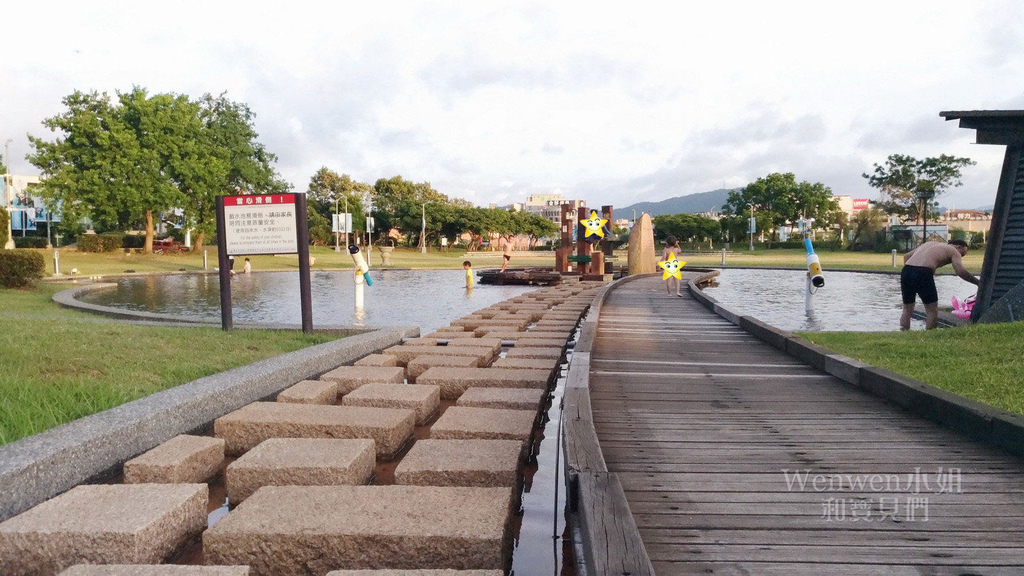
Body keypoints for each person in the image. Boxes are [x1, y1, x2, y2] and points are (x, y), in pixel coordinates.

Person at [900, 239, 980, 330]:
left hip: (906, 271)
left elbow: (906, 256)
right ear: (958, 247)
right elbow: (960, 271)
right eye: (962, 254)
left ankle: (904, 332)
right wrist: (977, 282)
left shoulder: (929, 244)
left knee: (907, 309)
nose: (961, 256)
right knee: (932, 310)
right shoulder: (953, 251)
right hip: (923, 272)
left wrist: (912, 273)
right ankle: (930, 336)